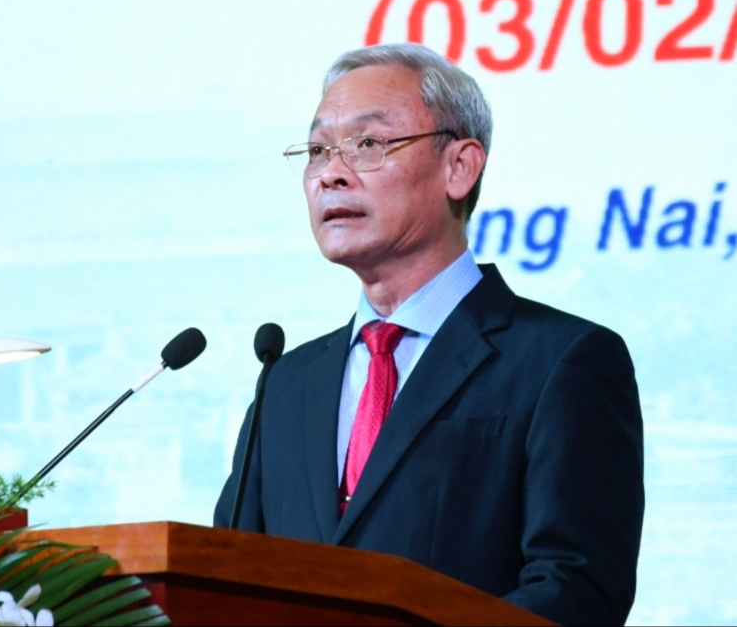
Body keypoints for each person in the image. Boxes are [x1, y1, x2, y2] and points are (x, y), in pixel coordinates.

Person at [214, 43, 644, 626]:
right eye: (317, 151)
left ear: (459, 167)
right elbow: (226, 581)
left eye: (368, 144)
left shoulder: (561, 362)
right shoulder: (287, 384)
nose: (331, 174)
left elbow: (576, 590)